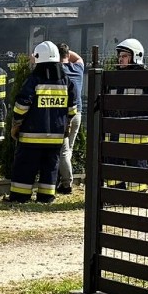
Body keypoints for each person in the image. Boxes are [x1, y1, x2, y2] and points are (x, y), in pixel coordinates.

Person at [6, 41, 77, 204]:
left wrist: (16, 121)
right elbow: (72, 109)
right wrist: (65, 124)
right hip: (56, 137)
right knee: (50, 168)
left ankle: (19, 197)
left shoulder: (34, 79)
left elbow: (22, 105)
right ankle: (46, 197)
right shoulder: (66, 80)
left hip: (32, 136)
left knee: (25, 166)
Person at [104, 38, 148, 192]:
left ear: (135, 56)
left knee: (137, 169)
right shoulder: (113, 78)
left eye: (124, 56)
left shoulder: (146, 79)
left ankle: (137, 198)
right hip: (115, 135)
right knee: (113, 168)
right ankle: (115, 195)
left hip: (137, 137)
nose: (120, 59)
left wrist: (147, 124)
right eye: (120, 56)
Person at [57, 44, 84, 194]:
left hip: (64, 116)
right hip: (77, 114)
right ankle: (64, 179)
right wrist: (67, 53)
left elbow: (33, 59)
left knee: (63, 151)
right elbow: (78, 58)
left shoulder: (58, 71)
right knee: (68, 149)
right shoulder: (78, 69)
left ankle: (66, 184)